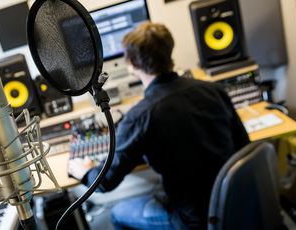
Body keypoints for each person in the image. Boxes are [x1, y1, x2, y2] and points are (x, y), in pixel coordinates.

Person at [68, 22, 250, 230]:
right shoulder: (215, 90)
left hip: (193, 220)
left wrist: (86, 172)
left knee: (118, 213)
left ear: (132, 65)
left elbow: (106, 182)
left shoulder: (140, 116)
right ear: (170, 52)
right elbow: (244, 146)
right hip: (235, 205)